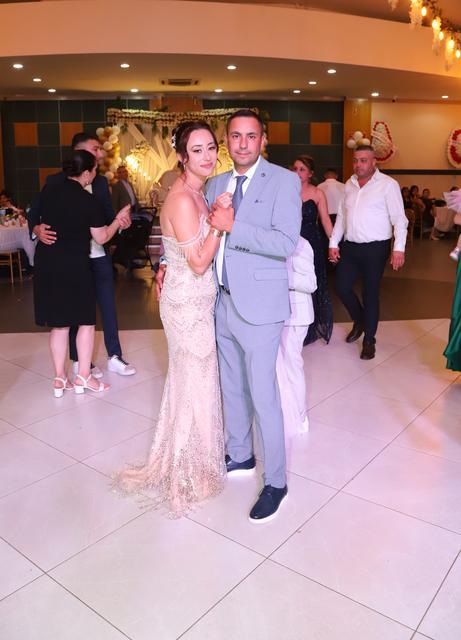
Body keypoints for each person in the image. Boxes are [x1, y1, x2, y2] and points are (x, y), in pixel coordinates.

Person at [115, 121, 232, 516]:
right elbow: (198, 262)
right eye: (197, 150)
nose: (207, 156)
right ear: (182, 157)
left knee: (195, 381)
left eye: (211, 147)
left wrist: (169, 258)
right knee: (193, 381)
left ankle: (196, 461)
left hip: (197, 301)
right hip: (185, 304)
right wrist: (219, 225)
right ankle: (185, 470)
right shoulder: (183, 199)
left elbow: (177, 248)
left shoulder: (200, 193)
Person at [206, 109, 301, 523]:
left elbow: (285, 243)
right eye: (235, 136)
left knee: (263, 395)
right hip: (222, 300)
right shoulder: (215, 184)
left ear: (263, 140)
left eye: (251, 136)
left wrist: (233, 226)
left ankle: (276, 482)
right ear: (226, 140)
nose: (242, 143)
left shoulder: (284, 180)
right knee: (232, 386)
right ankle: (241, 454)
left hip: (261, 306)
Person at [28, 132, 136, 377]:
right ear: (78, 151)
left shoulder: (100, 182)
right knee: (75, 312)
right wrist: (36, 228)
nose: (100, 153)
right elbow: (34, 212)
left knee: (107, 305)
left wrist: (120, 222)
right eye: (94, 149)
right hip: (71, 258)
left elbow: (105, 215)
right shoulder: (54, 181)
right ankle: (80, 362)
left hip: (96, 253)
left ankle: (114, 355)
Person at [329, 145, 408, 360]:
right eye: (355, 160)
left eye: (364, 160)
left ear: (374, 162)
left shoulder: (388, 185)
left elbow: (399, 219)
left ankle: (369, 340)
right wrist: (334, 242)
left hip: (376, 248)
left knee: (370, 293)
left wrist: (398, 248)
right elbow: (342, 217)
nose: (358, 164)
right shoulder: (349, 184)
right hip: (351, 246)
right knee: (341, 286)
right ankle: (360, 321)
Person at [276, 237, 317, 439]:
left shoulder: (301, 245)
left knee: (292, 365)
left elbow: (311, 283)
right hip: (278, 313)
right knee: (280, 367)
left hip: (296, 316)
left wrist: (279, 275)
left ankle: (300, 417)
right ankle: (285, 413)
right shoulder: (274, 239)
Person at [293, 155, 333, 345]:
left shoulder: (317, 193)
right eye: (295, 169)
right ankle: (293, 325)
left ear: (310, 173)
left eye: (302, 169)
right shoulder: (286, 190)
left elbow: (325, 220)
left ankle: (311, 327)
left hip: (311, 244)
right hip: (290, 243)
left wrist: (334, 243)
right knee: (293, 283)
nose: (297, 172)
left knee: (311, 282)